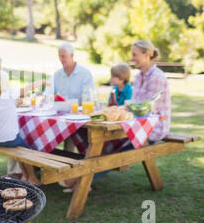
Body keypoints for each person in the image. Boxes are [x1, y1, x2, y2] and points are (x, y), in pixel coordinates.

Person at [58, 39, 171, 191]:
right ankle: (80, 177)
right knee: (100, 142)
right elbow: (133, 104)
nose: (132, 58)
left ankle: (80, 181)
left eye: (135, 54)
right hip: (136, 124)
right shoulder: (138, 76)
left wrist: (121, 110)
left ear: (147, 54)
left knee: (117, 153)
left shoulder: (157, 77)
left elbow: (147, 109)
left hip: (152, 127)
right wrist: (113, 111)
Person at [0, 70, 48, 186]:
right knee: (27, 150)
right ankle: (32, 177)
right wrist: (43, 81)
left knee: (20, 147)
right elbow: (28, 88)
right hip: (8, 139)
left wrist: (14, 103)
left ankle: (25, 175)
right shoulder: (8, 94)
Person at [45, 42, 95, 152]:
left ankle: (71, 158)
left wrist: (73, 104)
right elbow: (47, 94)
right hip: (61, 116)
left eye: (63, 56)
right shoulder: (57, 75)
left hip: (79, 116)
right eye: (59, 56)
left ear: (72, 55)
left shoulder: (85, 73)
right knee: (45, 130)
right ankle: (45, 159)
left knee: (72, 133)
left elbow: (88, 98)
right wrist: (50, 98)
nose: (61, 59)